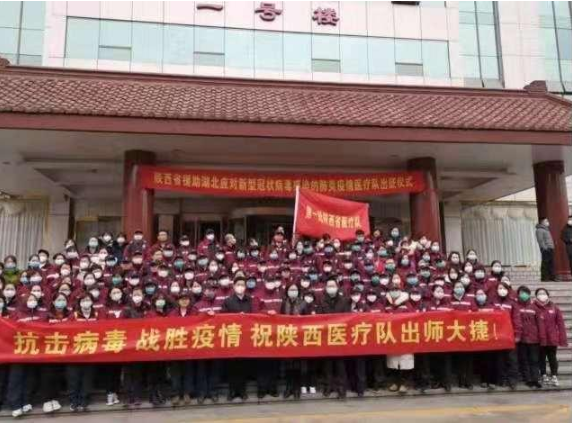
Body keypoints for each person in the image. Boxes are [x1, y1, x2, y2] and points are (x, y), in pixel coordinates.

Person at [221, 277, 252, 401]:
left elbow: (255, 315)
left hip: (245, 337)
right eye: (238, 284)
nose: (240, 287)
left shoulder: (249, 300)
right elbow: (222, 317)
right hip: (232, 336)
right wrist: (236, 317)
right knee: (232, 366)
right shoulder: (228, 301)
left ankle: (242, 391)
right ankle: (232, 391)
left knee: (243, 365)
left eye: (242, 284)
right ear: (233, 286)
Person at [67, 293, 100, 412]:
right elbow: (66, 331)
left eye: (88, 300)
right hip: (75, 352)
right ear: (80, 303)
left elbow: (103, 329)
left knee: (87, 377)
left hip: (91, 351)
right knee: (73, 377)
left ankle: (84, 399)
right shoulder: (74, 315)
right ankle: (73, 400)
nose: (86, 302)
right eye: (83, 300)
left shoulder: (97, 314)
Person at [319, 277, 350, 399]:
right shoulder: (322, 301)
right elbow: (318, 319)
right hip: (326, 336)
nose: (331, 288)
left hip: (339, 335)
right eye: (329, 286)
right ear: (326, 288)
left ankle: (341, 388)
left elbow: (348, 318)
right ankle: (328, 386)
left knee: (340, 364)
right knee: (327, 364)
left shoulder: (344, 301)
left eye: (333, 286)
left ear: (337, 287)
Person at [535, 288, 568, 387]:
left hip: (552, 337)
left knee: (552, 357)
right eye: (539, 293)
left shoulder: (554, 307)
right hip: (539, 338)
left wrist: (562, 337)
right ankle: (543, 375)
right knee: (541, 358)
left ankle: (554, 376)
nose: (542, 295)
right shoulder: (533, 307)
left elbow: (560, 323)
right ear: (536, 296)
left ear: (547, 295)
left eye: (544, 293)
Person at [281, 283, 306, 399]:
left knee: (297, 365)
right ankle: (288, 387)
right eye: (291, 289)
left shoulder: (303, 303)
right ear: (287, 291)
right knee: (288, 365)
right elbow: (280, 318)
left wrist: (302, 319)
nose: (293, 291)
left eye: (295, 289)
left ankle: (296, 388)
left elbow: (310, 321)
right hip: (287, 336)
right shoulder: (284, 303)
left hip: (299, 337)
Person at [516, 286, 542, 389]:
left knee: (534, 360)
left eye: (525, 292)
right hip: (522, 339)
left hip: (534, 339)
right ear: (518, 294)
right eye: (521, 293)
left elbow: (540, 323)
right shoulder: (516, 306)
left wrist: (540, 336)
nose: (523, 294)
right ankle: (528, 380)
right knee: (524, 360)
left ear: (529, 294)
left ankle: (535, 379)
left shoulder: (534, 307)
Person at [535, 217, 555, 281]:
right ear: (542, 222)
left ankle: (552, 277)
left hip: (550, 248)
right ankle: (544, 278)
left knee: (551, 263)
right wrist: (544, 248)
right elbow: (540, 240)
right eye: (546, 221)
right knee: (545, 263)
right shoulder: (539, 230)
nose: (547, 222)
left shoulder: (546, 230)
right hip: (546, 249)